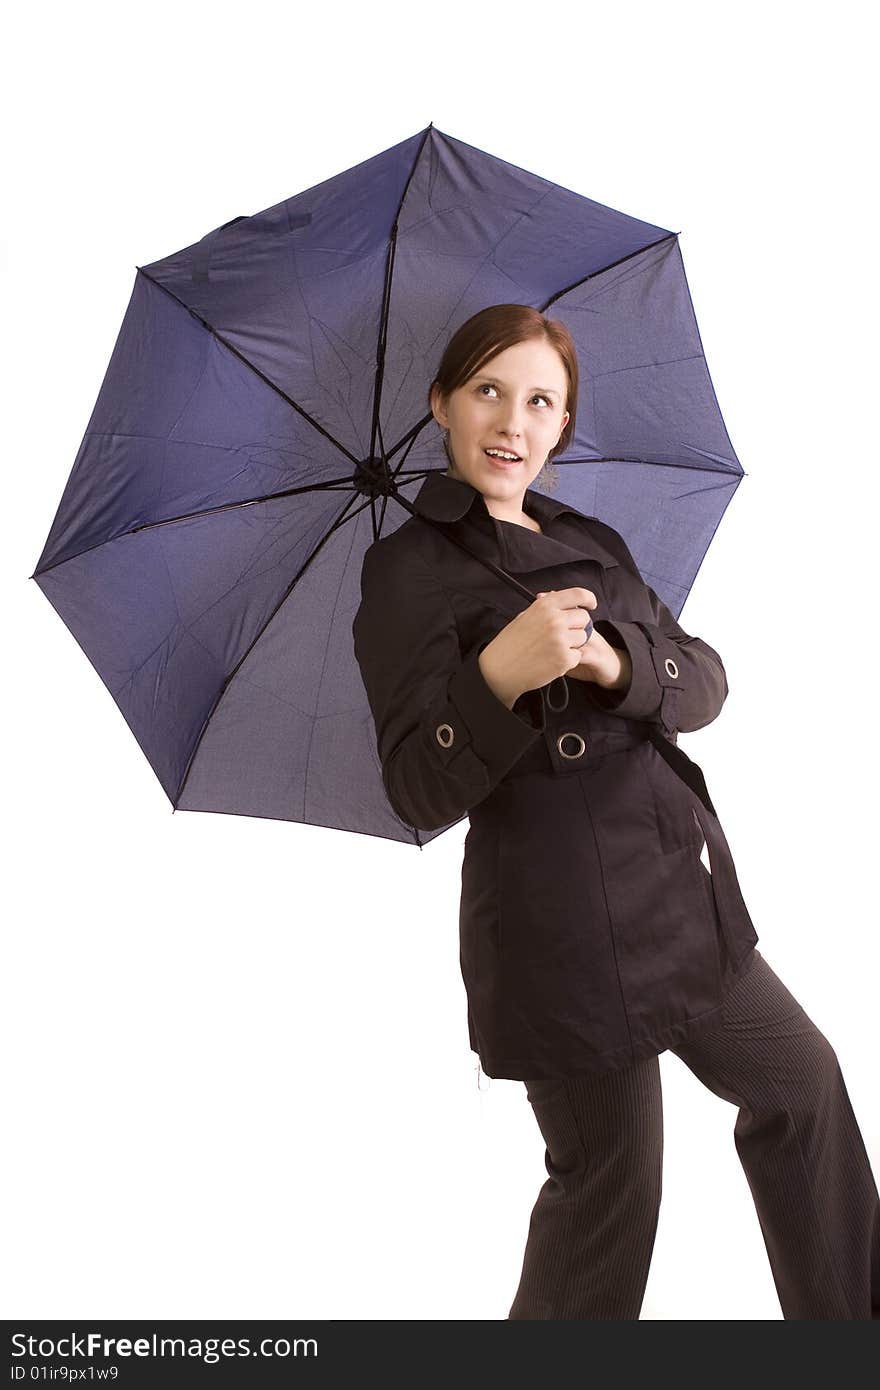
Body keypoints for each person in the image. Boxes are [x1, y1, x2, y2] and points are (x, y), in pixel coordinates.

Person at [351, 303, 880, 1319]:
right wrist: (496, 679)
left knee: (802, 1088)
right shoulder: (406, 571)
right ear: (442, 404)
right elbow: (416, 785)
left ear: (560, 426)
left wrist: (616, 660)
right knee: (613, 1189)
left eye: (540, 400)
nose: (512, 421)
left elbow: (706, 684)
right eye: (488, 392)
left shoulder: (590, 536)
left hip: (678, 902)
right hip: (557, 933)